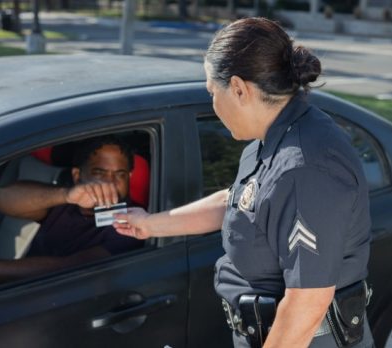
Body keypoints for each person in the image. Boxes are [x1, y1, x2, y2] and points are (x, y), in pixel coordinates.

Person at [113, 18, 373, 348]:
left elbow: (306, 304)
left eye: (211, 92)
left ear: (238, 88)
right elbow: (239, 201)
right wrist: (150, 225)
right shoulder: (271, 140)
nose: (212, 104)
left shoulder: (304, 169)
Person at [0, 136, 143, 286]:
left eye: (120, 175)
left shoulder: (132, 221)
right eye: (99, 173)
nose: (109, 183)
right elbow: (1, 198)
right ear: (77, 175)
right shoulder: (68, 200)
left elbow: (65, 269)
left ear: (129, 178)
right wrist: (66, 195)